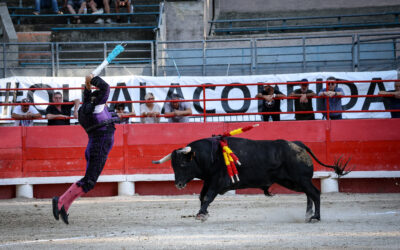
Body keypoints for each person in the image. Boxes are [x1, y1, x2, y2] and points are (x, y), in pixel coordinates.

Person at [52, 74, 119, 225]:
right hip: (99, 146)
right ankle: (60, 201)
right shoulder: (97, 107)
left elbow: (88, 99)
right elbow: (106, 88)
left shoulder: (84, 111)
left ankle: (65, 206)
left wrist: (87, 85)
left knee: (87, 180)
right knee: (89, 181)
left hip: (93, 146)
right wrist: (94, 78)